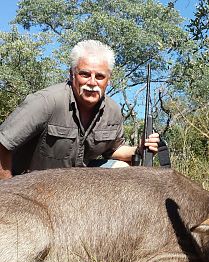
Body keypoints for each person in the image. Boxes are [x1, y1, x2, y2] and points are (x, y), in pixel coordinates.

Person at [0, 40, 159, 179]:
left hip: (73, 186)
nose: (92, 82)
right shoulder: (46, 102)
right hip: (30, 185)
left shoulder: (113, 111)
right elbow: (3, 144)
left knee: (123, 170)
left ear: (108, 80)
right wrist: (8, 189)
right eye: (84, 74)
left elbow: (114, 150)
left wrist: (140, 148)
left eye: (99, 76)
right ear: (72, 74)